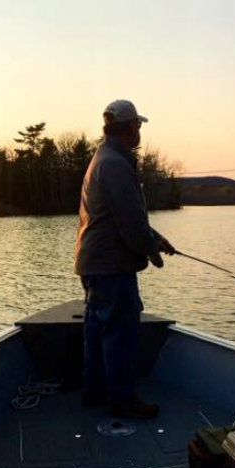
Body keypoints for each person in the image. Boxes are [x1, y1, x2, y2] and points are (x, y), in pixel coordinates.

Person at [74, 99, 175, 419]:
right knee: (119, 333)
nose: (140, 130)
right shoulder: (117, 165)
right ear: (130, 127)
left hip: (94, 264)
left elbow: (125, 217)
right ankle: (121, 400)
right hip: (110, 267)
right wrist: (153, 254)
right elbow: (130, 226)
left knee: (97, 330)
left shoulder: (103, 159)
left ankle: (94, 393)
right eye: (138, 125)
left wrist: (154, 238)